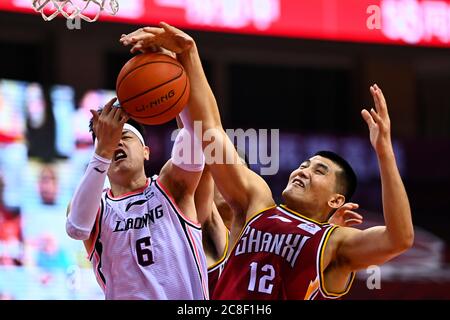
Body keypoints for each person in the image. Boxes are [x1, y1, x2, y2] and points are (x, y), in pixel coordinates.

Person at [121, 23, 414, 300]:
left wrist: (384, 152)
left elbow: (400, 239)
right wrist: (188, 53)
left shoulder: (334, 243)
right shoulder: (256, 203)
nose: (304, 170)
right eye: (305, 164)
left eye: (319, 170)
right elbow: (209, 132)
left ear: (336, 200)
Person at [65, 96, 209, 298]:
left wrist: (178, 90)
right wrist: (103, 150)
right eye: (111, 140)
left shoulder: (170, 186)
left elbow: (195, 135)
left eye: (124, 136)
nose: (117, 144)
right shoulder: (96, 208)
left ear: (146, 151)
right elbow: (76, 228)